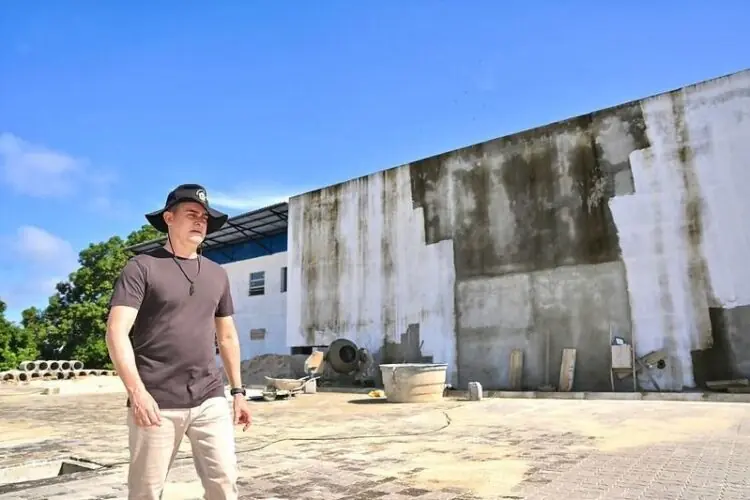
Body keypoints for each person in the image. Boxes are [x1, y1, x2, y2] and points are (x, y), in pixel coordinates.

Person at [106, 183, 252, 500]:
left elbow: (227, 336)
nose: (200, 221)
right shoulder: (141, 267)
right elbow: (116, 332)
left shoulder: (217, 274)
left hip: (209, 397)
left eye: (204, 217)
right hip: (156, 400)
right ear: (169, 218)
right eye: (191, 214)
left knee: (225, 483)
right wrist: (137, 393)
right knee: (146, 491)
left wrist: (238, 392)